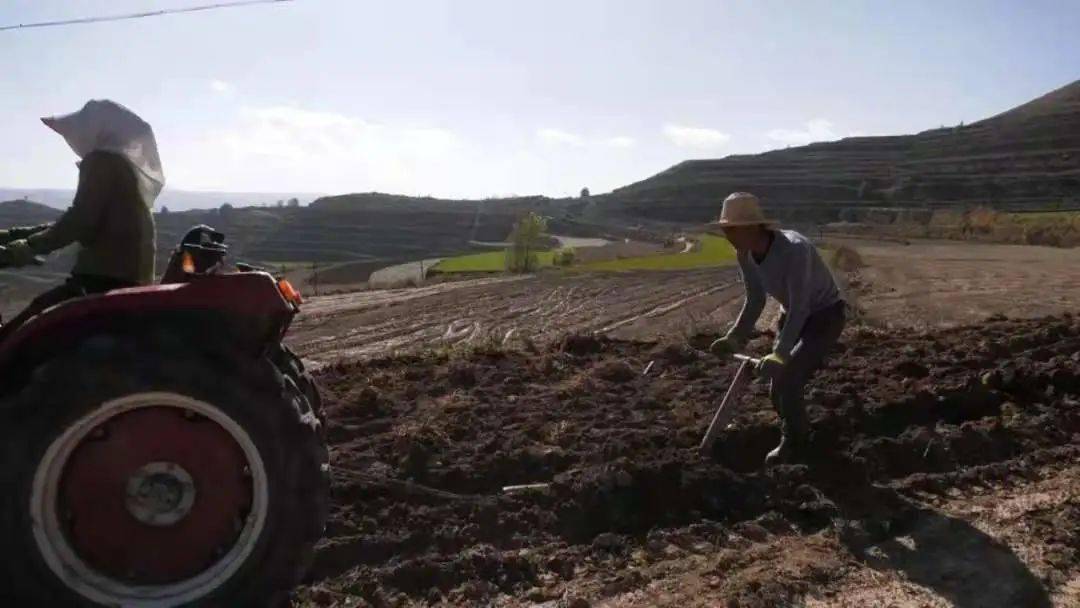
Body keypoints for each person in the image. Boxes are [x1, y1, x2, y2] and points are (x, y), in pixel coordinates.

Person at [0, 100, 163, 340]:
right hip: (126, 277)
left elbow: (79, 221)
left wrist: (28, 248)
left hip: (102, 279)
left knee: (24, 328)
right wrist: (16, 236)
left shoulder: (102, 162)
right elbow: (82, 219)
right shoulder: (122, 167)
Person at [707, 192, 845, 466]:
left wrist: (781, 353)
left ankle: (795, 445)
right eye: (725, 229)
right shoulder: (745, 254)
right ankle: (799, 433)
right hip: (791, 315)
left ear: (754, 227)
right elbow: (756, 299)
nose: (727, 235)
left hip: (824, 316)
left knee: (788, 379)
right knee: (775, 389)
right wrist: (735, 337)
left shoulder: (795, 250)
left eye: (732, 229)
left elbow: (801, 307)